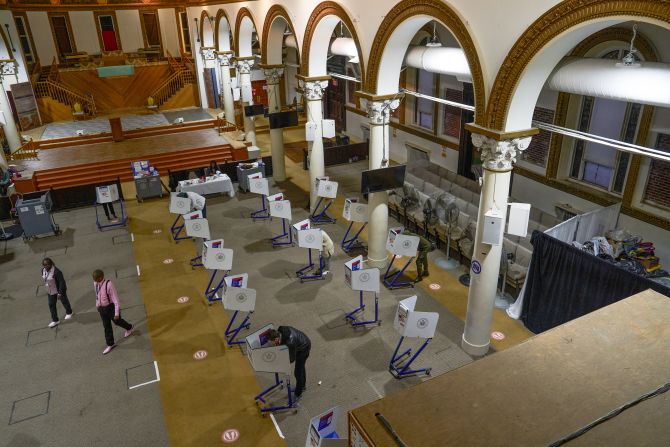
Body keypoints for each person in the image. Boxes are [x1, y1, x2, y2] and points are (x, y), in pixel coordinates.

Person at [93, 269, 133, 355]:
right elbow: (97, 295)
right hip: (102, 308)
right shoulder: (95, 284)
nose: (95, 281)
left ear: (101, 277)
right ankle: (110, 344)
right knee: (106, 326)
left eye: (96, 279)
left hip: (111, 307)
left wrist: (116, 313)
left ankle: (129, 327)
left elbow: (116, 300)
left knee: (117, 321)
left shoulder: (109, 284)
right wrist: (97, 305)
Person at [268, 326, 311, 400]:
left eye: (273, 343)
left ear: (276, 339)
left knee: (297, 372)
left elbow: (291, 359)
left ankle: (298, 394)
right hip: (301, 341)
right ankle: (302, 386)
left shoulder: (290, 343)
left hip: (304, 348)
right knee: (301, 368)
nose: (273, 344)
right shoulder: (280, 329)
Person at [42, 258, 73, 328]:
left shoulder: (57, 272)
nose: (46, 266)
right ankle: (55, 320)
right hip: (50, 291)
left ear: (51, 264)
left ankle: (69, 312)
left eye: (47, 264)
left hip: (58, 290)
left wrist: (60, 293)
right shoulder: (43, 271)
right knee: (51, 304)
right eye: (44, 265)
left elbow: (62, 282)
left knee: (64, 301)